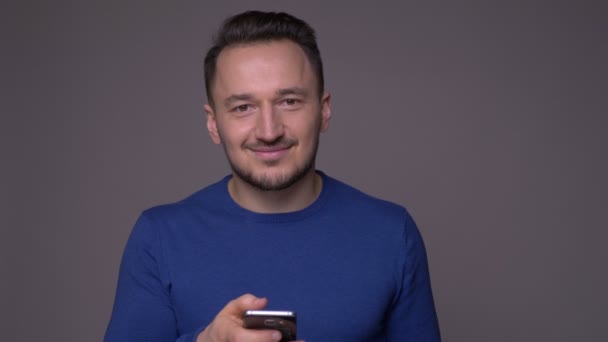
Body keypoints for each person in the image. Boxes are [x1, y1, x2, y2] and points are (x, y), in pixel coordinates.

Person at [105, 10, 440, 342]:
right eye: (242, 107)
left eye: (289, 101)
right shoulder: (158, 238)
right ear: (213, 123)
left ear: (323, 110)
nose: (268, 131)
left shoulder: (392, 234)